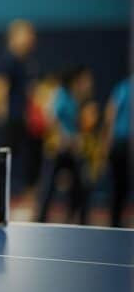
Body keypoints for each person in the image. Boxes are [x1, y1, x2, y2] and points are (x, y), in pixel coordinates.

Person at [37, 66, 94, 224]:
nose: (89, 84)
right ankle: (40, 222)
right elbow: (51, 119)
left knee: (83, 188)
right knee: (47, 190)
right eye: (86, 80)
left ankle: (79, 224)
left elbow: (75, 125)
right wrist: (65, 138)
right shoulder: (60, 95)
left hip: (72, 151)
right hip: (56, 150)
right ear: (77, 80)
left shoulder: (77, 99)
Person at [0, 20, 39, 194]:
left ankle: (29, 197)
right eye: (26, 33)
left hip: (29, 119)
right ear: (14, 37)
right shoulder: (9, 61)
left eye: (31, 34)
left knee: (30, 160)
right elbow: (2, 87)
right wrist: (2, 108)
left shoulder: (29, 62)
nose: (31, 38)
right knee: (6, 159)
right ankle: (1, 198)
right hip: (13, 118)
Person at [102, 76, 130, 226]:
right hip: (121, 144)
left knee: (124, 187)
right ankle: (115, 223)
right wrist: (108, 139)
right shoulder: (124, 88)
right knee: (119, 187)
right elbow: (111, 111)